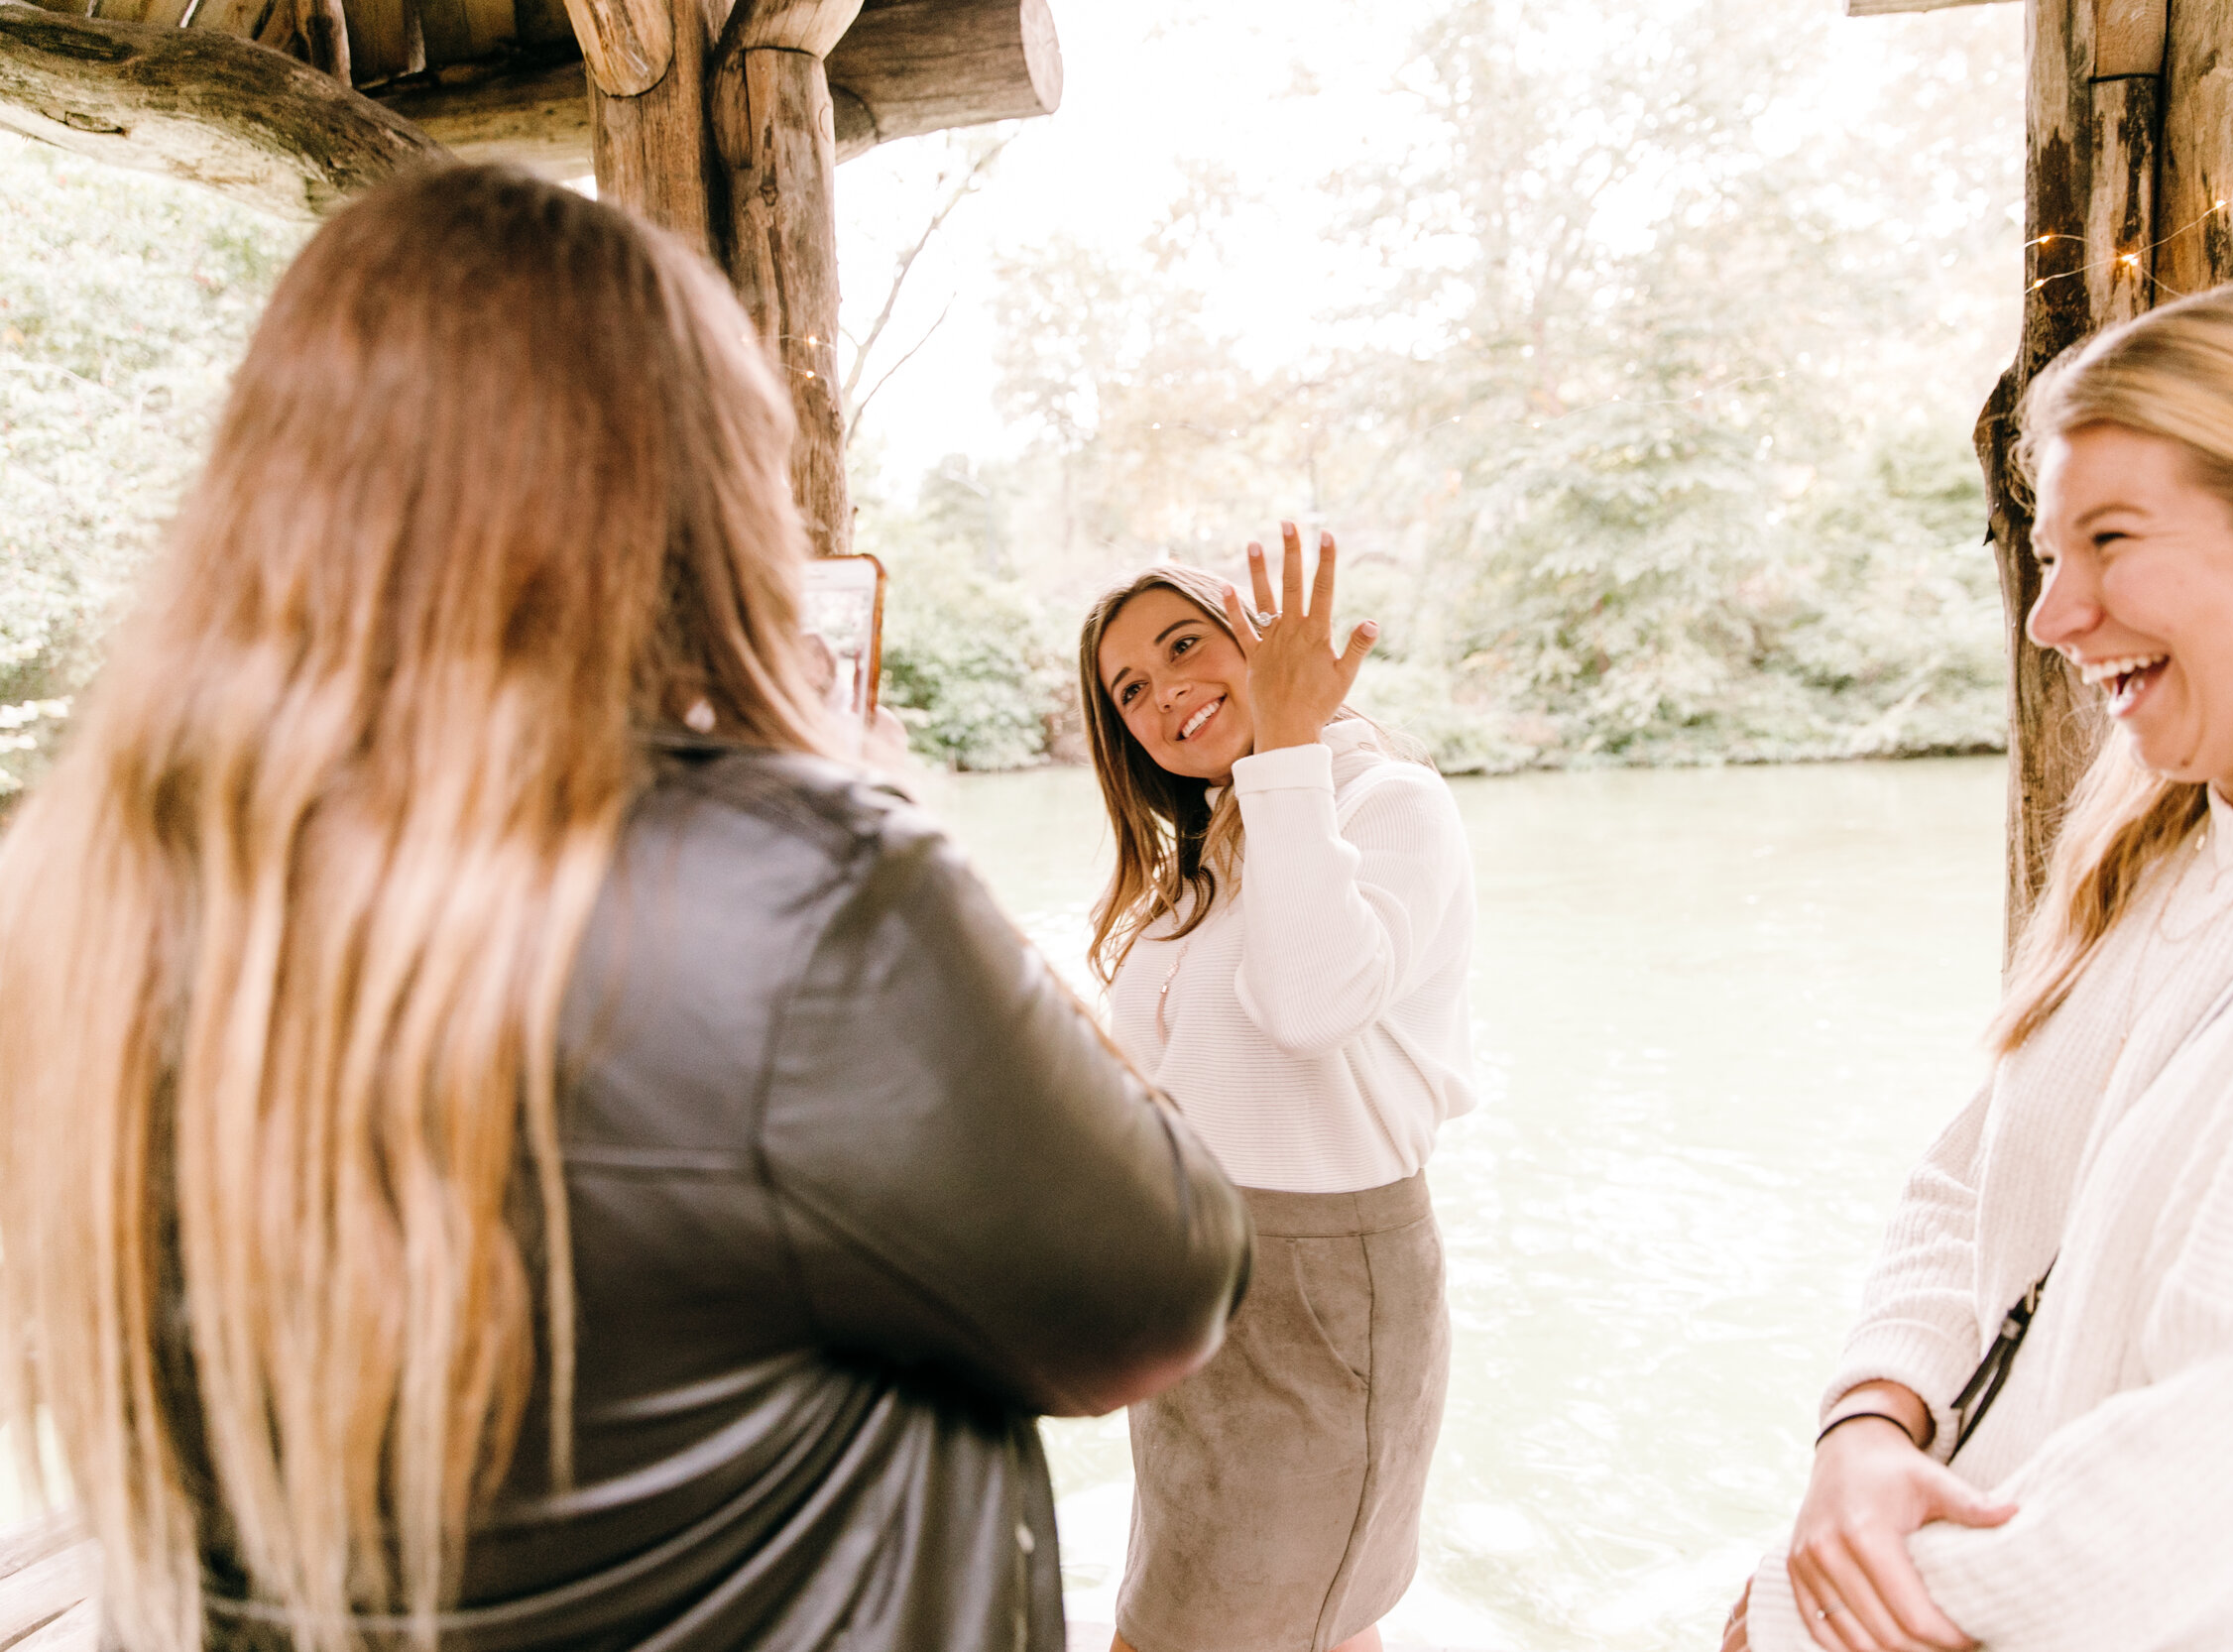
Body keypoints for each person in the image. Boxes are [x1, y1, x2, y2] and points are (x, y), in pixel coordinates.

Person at [0, 166, 1250, 1652]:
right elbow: (1164, 1284)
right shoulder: (796, 889)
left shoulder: (82, 896)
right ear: (673, 492)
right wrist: (881, 831)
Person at [1721, 280, 2233, 1652]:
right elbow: (1975, 1179)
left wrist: (1779, 1615)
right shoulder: (2163, 841)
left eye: (2110, 540)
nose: (2051, 618)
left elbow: (2232, 1483)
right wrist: (1867, 1422)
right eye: (2048, 550)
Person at [1078, 531, 1478, 1652]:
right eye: (1132, 690)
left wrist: (1292, 736)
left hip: (1322, 1298)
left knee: (1230, 1628)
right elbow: (1162, 1084)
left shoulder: (1384, 801)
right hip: (1200, 1292)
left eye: (1185, 646)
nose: (1166, 695)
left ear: (1258, 638)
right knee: (1294, 1625)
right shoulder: (1214, 853)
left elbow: (1309, 1003)